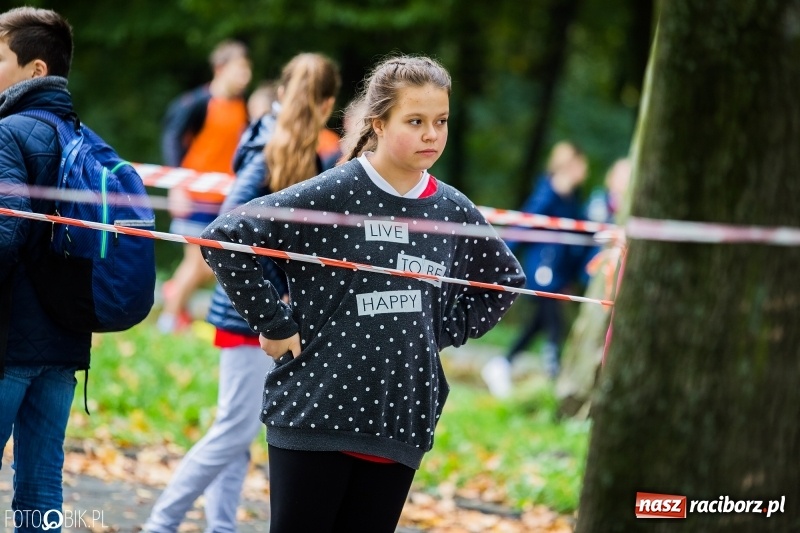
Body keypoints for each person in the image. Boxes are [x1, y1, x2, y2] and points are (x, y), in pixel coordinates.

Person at [200, 54, 526, 533]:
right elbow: (226, 237)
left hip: (399, 420)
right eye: (415, 122)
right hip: (315, 413)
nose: (432, 134)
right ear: (377, 122)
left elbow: (505, 281)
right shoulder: (335, 190)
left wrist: (439, 329)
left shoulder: (452, 208)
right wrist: (273, 324)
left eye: (441, 122)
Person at [144, 53, 340, 533]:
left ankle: (221, 527)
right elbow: (224, 228)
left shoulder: (285, 144)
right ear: (330, 102)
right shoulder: (269, 146)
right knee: (233, 432)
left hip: (252, 310)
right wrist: (278, 297)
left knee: (237, 431)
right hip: (248, 312)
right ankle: (161, 523)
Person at [0, 7, 90, 529]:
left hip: (8, 340)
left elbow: (5, 233)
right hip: (65, 340)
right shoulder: (84, 137)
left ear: (35, 70)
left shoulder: (9, 132)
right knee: (40, 483)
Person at [157, 40, 252, 334]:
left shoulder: (242, 108)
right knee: (198, 262)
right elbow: (171, 141)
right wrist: (177, 186)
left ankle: (176, 296)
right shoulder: (195, 104)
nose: (245, 75)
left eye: (248, 69)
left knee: (207, 265)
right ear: (220, 68)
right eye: (240, 68)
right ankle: (169, 321)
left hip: (223, 197)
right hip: (194, 194)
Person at [482, 141, 588, 397]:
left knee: (538, 324)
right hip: (543, 269)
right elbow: (526, 223)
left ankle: (502, 363)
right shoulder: (548, 192)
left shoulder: (573, 198)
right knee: (553, 325)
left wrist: (570, 275)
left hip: (558, 272)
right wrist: (502, 257)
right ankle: (553, 378)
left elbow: (575, 241)